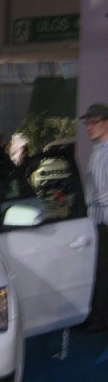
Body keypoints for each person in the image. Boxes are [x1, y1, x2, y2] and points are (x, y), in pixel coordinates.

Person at [80, 102, 108, 332]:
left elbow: (104, 193)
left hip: (105, 221)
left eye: (94, 122)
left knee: (103, 272)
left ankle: (100, 319)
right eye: (87, 123)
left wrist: (89, 202)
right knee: (99, 271)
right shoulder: (98, 150)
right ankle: (96, 317)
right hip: (98, 220)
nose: (89, 127)